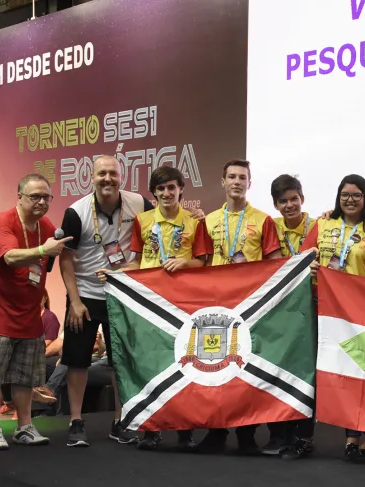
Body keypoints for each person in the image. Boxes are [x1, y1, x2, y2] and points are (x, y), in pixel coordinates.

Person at [60, 156, 204, 447]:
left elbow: (167, 220)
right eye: (102, 174)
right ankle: (76, 421)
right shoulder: (75, 212)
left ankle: (120, 420)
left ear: (121, 176)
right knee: (77, 362)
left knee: (120, 362)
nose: (107, 179)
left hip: (124, 295)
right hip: (86, 296)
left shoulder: (138, 203)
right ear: (91, 177)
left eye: (112, 173)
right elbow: (65, 258)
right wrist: (74, 301)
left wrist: (198, 217)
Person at [0, 173, 70, 450]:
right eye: (34, 196)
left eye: (46, 197)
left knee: (25, 377)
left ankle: (25, 427)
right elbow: (11, 257)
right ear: (20, 197)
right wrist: (42, 249)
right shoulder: (1, 222)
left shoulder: (46, 225)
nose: (40, 201)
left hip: (28, 317)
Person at [124, 165, 210, 452]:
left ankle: (185, 430)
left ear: (181, 189)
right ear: (154, 193)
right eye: (160, 189)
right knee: (151, 366)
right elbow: (136, 263)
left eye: (171, 187)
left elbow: (203, 263)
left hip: (184, 303)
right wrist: (114, 274)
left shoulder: (196, 222)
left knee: (186, 365)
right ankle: (151, 428)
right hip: (150, 303)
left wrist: (184, 263)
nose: (166, 193)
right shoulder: (142, 221)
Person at [299, 174, 365, 460]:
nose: (350, 200)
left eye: (357, 195)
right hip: (317, 306)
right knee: (313, 371)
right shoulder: (322, 224)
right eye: (345, 194)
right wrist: (310, 263)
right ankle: (304, 436)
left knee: (352, 374)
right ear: (338, 197)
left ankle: (352, 436)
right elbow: (301, 257)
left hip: (353, 314)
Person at [200, 158, 281, 454]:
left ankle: (247, 433)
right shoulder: (207, 222)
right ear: (223, 182)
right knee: (215, 367)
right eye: (231, 177)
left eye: (242, 177)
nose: (236, 181)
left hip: (251, 306)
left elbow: (275, 266)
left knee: (247, 370)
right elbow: (202, 264)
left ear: (250, 183)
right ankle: (216, 432)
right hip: (217, 306)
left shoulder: (263, 220)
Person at [268, 174, 317, 459]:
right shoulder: (269, 227)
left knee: (305, 372)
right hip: (279, 310)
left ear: (302, 198)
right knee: (278, 369)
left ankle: (304, 435)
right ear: (275, 204)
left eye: (294, 199)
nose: (290, 205)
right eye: (283, 201)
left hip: (310, 307)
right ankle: (280, 435)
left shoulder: (319, 226)